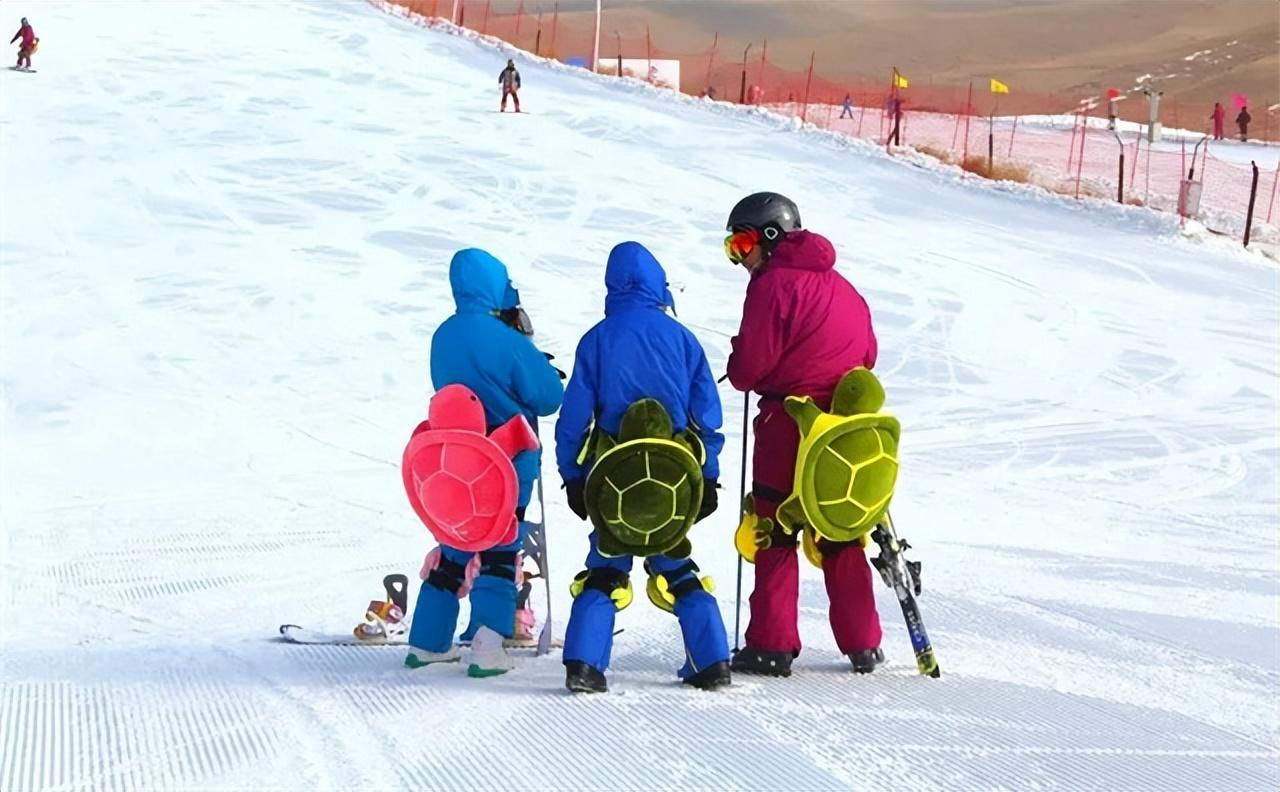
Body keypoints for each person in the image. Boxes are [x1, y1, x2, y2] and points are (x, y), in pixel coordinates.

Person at [555, 241, 730, 693]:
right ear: (659, 284)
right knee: (677, 564)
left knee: (606, 569)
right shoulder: (683, 339)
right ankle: (712, 662)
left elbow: (574, 419)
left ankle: (585, 667)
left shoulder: (597, 339)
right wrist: (707, 475)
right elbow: (706, 414)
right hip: (674, 477)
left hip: (614, 480)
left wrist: (573, 477)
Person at [723, 192, 883, 678]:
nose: (742, 258)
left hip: (789, 424)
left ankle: (772, 644)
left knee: (774, 528)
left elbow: (750, 369)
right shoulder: (843, 285)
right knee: (840, 529)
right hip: (842, 430)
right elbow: (868, 356)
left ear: (770, 238)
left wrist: (738, 358)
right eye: (733, 247)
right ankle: (864, 642)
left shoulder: (772, 286)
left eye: (744, 243)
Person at [405, 248, 564, 676]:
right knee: (499, 551)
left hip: (453, 464)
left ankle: (426, 643)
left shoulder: (444, 334)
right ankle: (489, 649)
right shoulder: (506, 339)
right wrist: (535, 362)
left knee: (454, 549)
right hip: (504, 464)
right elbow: (549, 398)